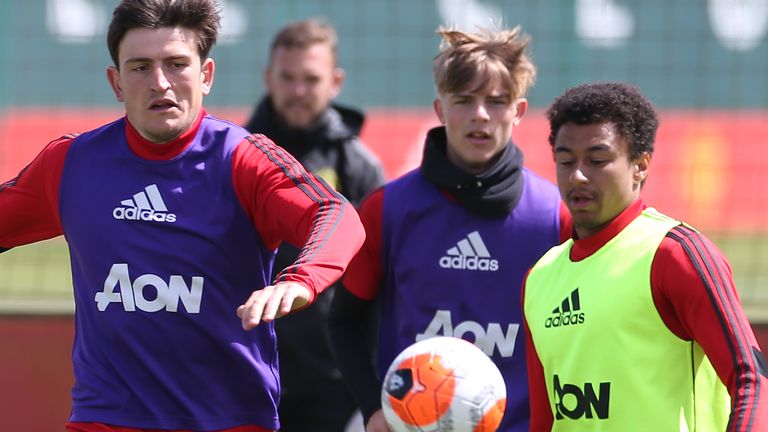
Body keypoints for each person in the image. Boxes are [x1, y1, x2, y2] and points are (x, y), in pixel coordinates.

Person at [0, 0, 365, 431]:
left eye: (176, 64)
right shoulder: (70, 164)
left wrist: (301, 279)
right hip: (106, 419)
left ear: (205, 75)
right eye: (140, 67)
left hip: (229, 420)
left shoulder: (243, 159)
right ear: (116, 82)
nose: (160, 83)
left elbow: (335, 214)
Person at [328, 26, 571, 432]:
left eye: (497, 102)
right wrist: (373, 409)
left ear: (519, 111)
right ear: (440, 110)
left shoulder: (554, 217)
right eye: (464, 101)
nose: (480, 115)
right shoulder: (388, 209)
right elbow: (343, 321)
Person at [522, 82, 768, 431]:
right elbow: (545, 422)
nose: (578, 175)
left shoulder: (675, 254)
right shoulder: (539, 279)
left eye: (597, 160)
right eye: (565, 161)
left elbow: (752, 379)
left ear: (640, 165)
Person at [242, 18, 385, 432]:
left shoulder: (359, 166)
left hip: (334, 380)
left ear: (335, 82)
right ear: (269, 78)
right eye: (288, 78)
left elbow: (379, 278)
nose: (298, 91)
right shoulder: (237, 154)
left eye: (311, 79)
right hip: (249, 367)